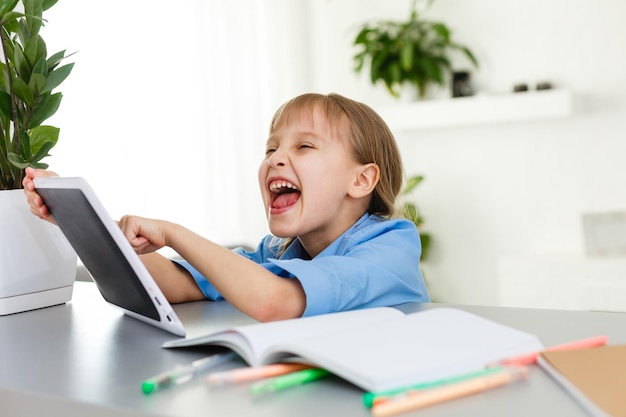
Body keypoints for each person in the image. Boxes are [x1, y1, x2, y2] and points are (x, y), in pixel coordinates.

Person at [24, 92, 430, 322]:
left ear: (361, 180)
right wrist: (79, 219)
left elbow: (274, 301)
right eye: (271, 148)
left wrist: (173, 233)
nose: (275, 158)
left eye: (303, 146)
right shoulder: (281, 252)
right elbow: (176, 284)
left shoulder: (391, 247)